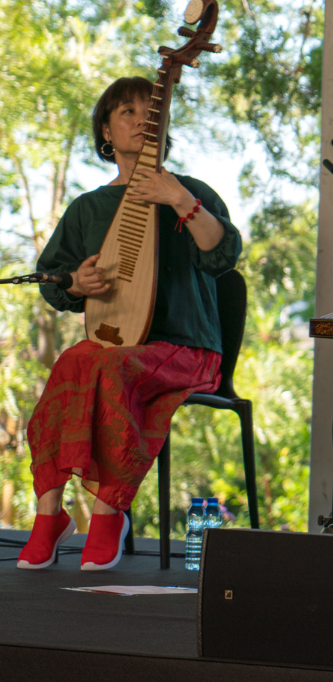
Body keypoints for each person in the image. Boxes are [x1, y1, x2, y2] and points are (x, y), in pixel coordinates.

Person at [17, 76, 242, 571]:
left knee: (109, 368)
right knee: (73, 362)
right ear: (106, 130)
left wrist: (180, 200)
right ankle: (49, 513)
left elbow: (224, 253)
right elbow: (55, 282)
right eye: (127, 113)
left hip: (186, 348)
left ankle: (108, 512)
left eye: (150, 114)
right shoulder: (88, 208)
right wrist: (78, 282)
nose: (142, 121)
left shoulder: (191, 191)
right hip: (115, 342)